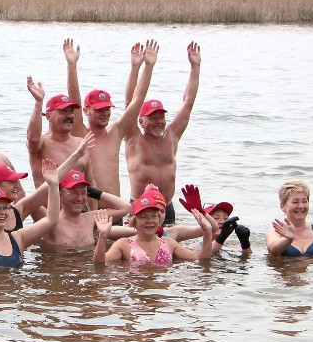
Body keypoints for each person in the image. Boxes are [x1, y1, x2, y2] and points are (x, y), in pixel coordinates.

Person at [64, 39, 158, 202]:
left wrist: (147, 67)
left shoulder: (115, 132)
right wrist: (72, 66)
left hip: (116, 209)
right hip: (92, 210)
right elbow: (75, 100)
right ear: (87, 111)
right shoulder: (81, 133)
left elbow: (137, 101)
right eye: (99, 109)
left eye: (107, 109)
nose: (105, 113)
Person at [124, 41, 201, 224]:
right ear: (141, 121)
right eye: (153, 117)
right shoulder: (133, 138)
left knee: (170, 252)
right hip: (140, 207)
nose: (158, 121)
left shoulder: (172, 136)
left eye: (161, 117)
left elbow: (188, 103)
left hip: (167, 207)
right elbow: (130, 103)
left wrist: (195, 66)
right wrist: (137, 67)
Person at [93, 186, 212, 265]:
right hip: (137, 295)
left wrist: (207, 233)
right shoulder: (123, 244)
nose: (150, 221)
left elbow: (201, 260)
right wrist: (103, 236)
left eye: (154, 216)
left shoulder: (169, 243)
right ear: (134, 221)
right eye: (143, 217)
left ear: (159, 219)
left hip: (162, 296)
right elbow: (99, 264)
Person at [43, 168, 131, 249]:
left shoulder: (91, 218)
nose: (79, 198)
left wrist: (92, 191)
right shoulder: (52, 222)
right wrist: (53, 187)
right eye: (74, 193)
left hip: (88, 264)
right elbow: (31, 205)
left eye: (83, 193)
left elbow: (125, 208)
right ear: (60, 194)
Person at [26, 77, 89, 189]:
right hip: (50, 205)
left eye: (71, 112)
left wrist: (93, 206)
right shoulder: (41, 144)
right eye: (63, 111)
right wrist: (38, 102)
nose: (69, 115)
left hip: (79, 204)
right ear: (48, 116)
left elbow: (91, 182)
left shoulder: (81, 144)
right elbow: (32, 139)